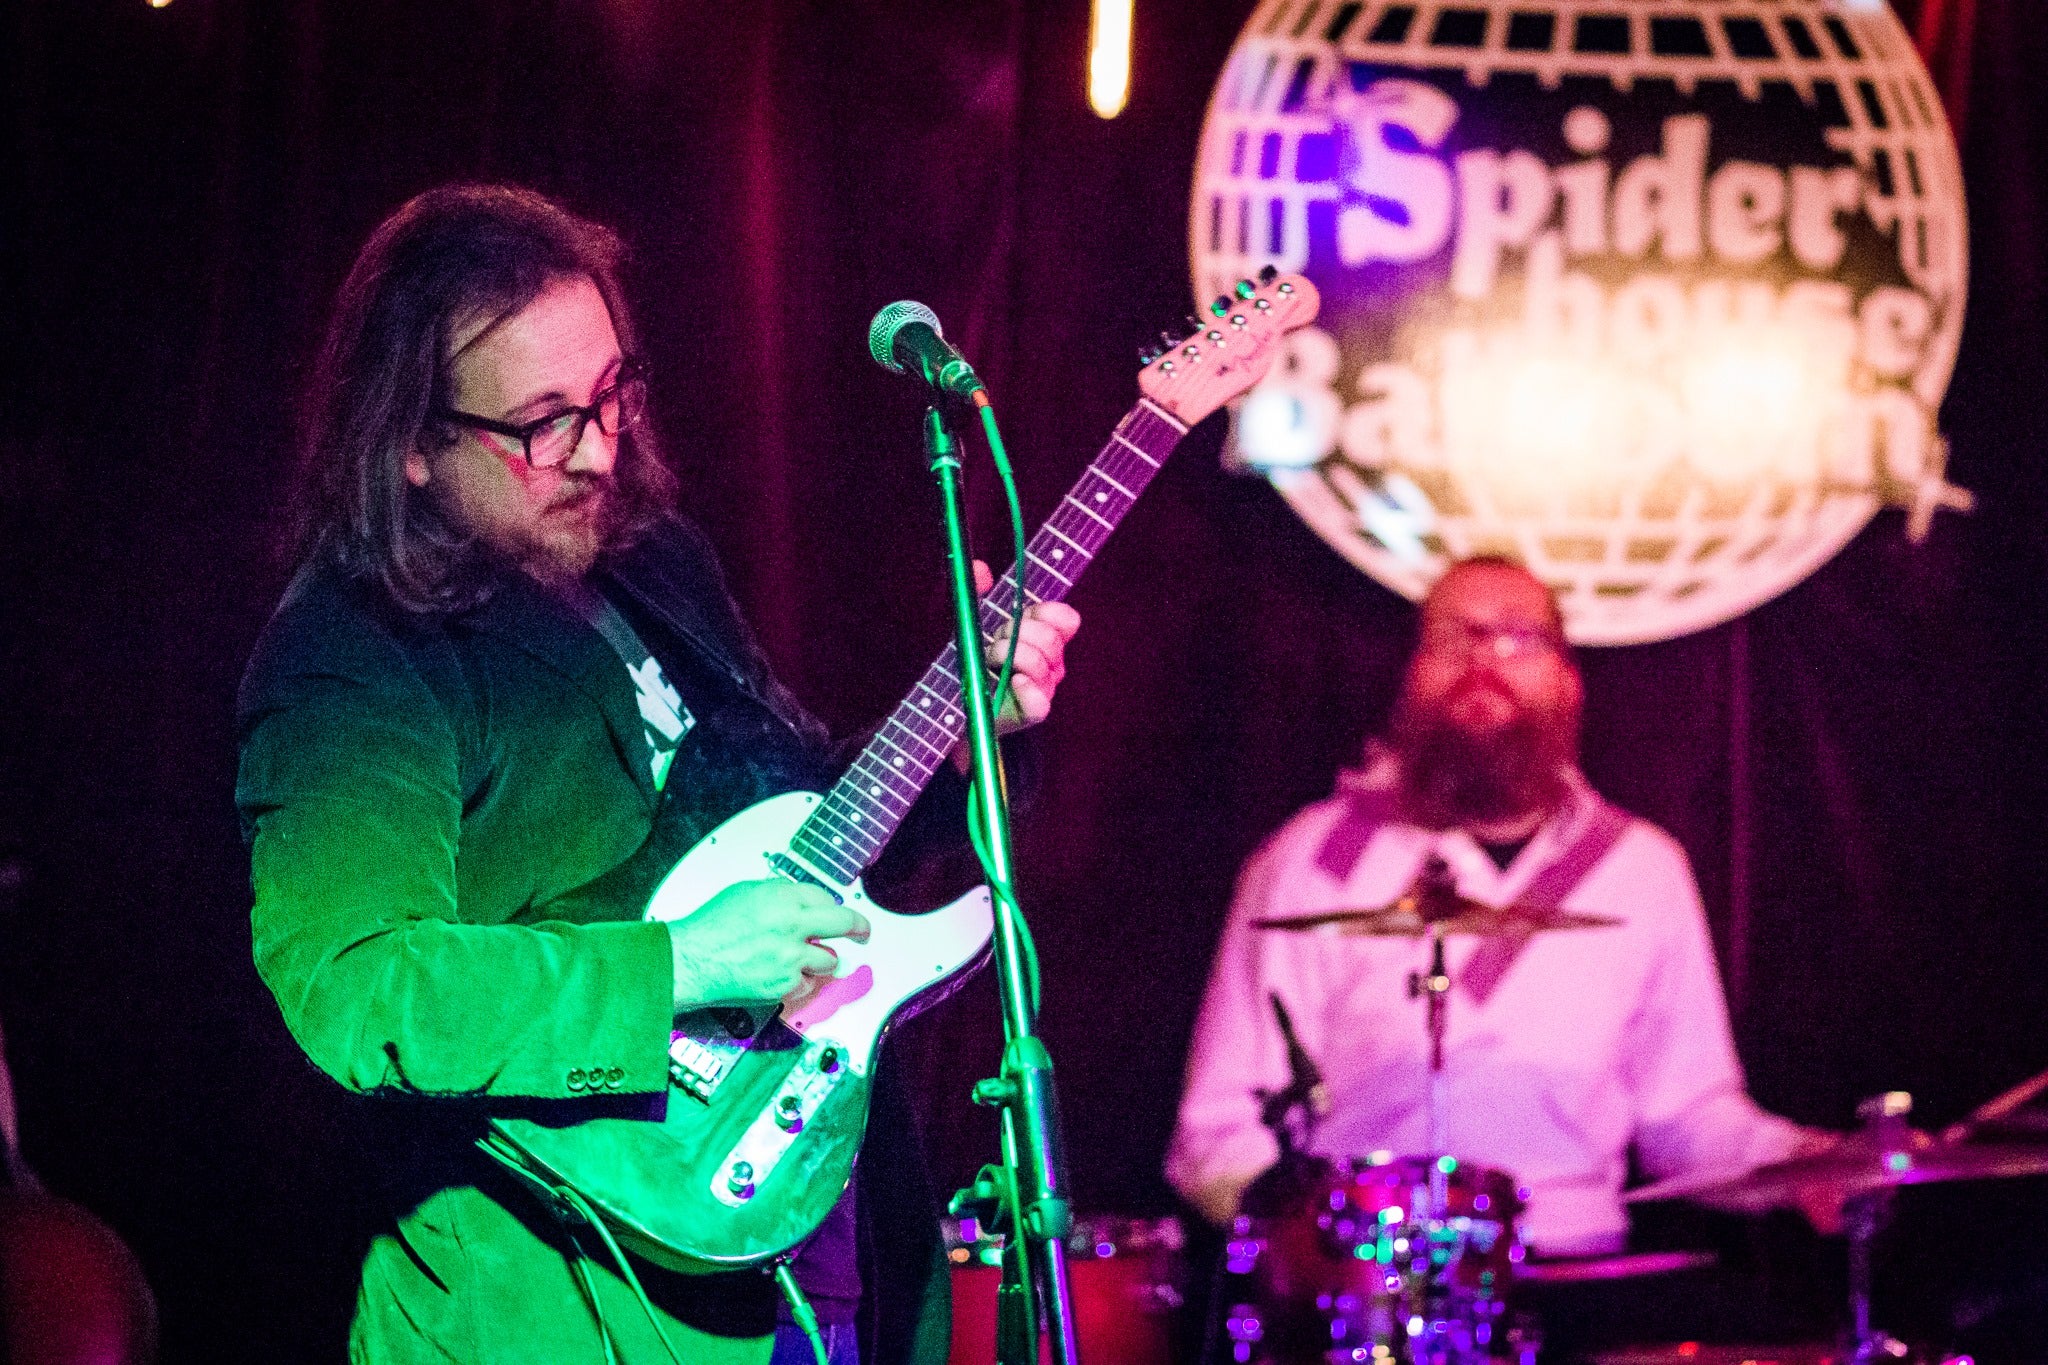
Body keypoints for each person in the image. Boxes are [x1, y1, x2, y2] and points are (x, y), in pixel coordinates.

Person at [236, 183, 1078, 1365]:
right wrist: (686, 964)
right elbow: (356, 985)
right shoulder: (352, 657)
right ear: (414, 443)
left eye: (611, 393)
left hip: (804, 1220)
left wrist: (968, 736)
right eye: (540, 423)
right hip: (562, 1287)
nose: (596, 449)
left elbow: (800, 828)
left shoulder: (651, 561)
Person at [1167, 557, 1824, 1262]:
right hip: (1370, 1287)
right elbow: (1218, 1127)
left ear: (1570, 682)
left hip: (1577, 1272)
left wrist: (1815, 1162)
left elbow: (1687, 1118)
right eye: (1455, 638)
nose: (1485, 662)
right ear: (1410, 673)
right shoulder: (1310, 860)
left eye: (1519, 639)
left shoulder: (1643, 869)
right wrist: (1323, 1239)